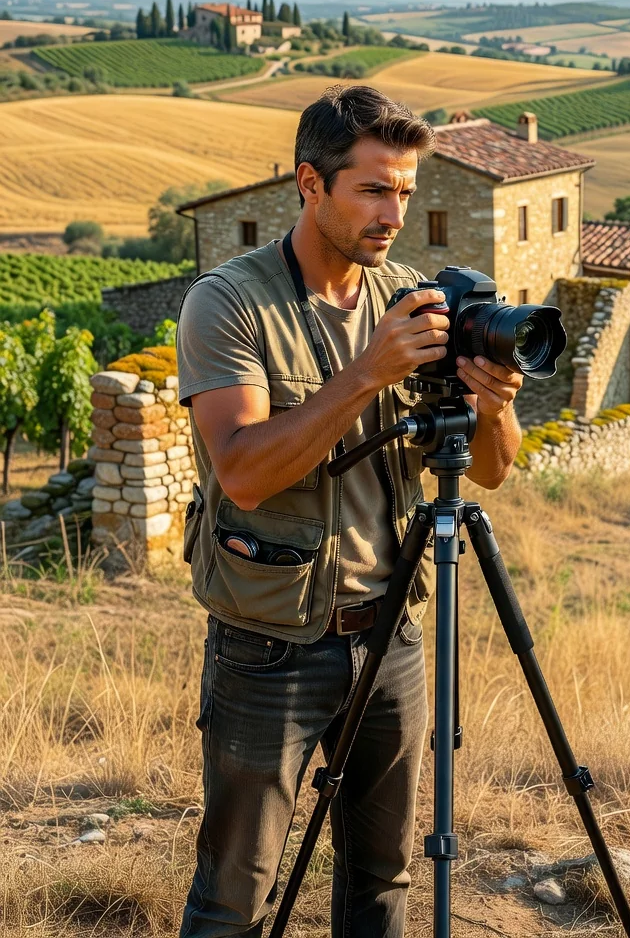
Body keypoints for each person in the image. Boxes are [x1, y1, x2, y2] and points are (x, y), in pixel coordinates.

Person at [176, 84, 524, 938]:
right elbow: (244, 472)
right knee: (234, 900)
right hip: (269, 647)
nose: (394, 213)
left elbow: (494, 471)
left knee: (382, 880)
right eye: (373, 189)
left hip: (392, 637)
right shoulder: (229, 305)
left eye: (405, 191)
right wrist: (366, 374)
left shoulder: (412, 296)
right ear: (310, 183)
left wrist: (495, 401)